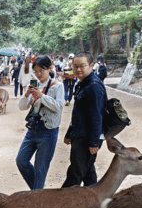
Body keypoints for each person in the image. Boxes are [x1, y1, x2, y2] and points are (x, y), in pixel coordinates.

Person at [16, 55, 65, 189]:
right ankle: (38, 192)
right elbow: (22, 107)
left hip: (48, 131)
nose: (38, 74)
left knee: (40, 169)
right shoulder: (35, 85)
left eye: (40, 71)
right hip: (32, 129)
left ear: (49, 68)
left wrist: (42, 96)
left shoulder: (57, 86)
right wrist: (26, 95)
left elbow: (58, 106)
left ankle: (37, 195)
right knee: (21, 161)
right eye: (35, 71)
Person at [62, 52, 107, 188]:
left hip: (87, 138)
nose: (78, 70)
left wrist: (94, 142)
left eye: (82, 66)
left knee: (75, 174)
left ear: (91, 66)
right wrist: (70, 133)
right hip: (80, 134)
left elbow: (97, 116)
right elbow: (78, 113)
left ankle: (60, 205)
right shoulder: (82, 84)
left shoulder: (94, 87)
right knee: (88, 173)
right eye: (75, 66)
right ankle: (95, 205)